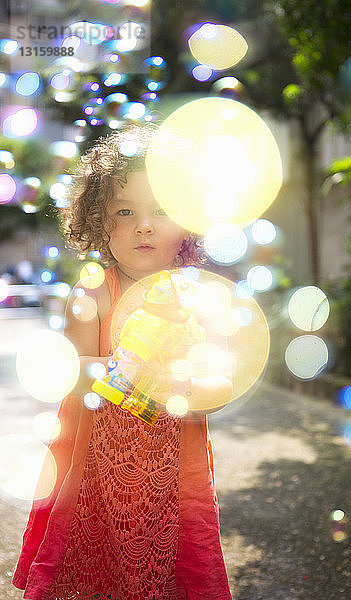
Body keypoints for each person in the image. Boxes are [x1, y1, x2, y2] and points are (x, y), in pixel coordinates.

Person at [12, 122, 233, 600]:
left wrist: (185, 388)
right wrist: (127, 371)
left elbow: (223, 381)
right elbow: (75, 379)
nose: (144, 225)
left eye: (161, 210)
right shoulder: (95, 289)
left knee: (168, 571)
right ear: (97, 219)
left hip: (174, 475)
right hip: (98, 469)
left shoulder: (199, 297)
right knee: (101, 573)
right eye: (125, 211)